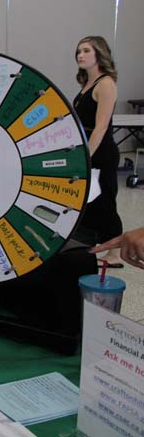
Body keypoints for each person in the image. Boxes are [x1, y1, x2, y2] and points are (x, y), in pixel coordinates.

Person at [73, 36, 124, 268]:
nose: (80, 55)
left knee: (105, 201)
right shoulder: (87, 85)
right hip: (89, 147)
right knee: (93, 201)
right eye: (78, 52)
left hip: (101, 151)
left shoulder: (105, 84)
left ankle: (115, 254)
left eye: (86, 51)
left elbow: (101, 125)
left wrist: (87, 155)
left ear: (99, 54)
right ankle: (99, 244)